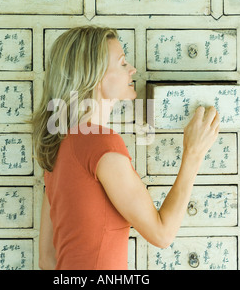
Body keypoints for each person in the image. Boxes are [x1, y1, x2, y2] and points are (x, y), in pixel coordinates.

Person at [33, 25, 220, 270]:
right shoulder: (99, 143)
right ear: (94, 75)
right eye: (122, 63)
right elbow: (162, 234)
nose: (132, 69)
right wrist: (193, 154)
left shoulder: (58, 144)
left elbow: (48, 260)